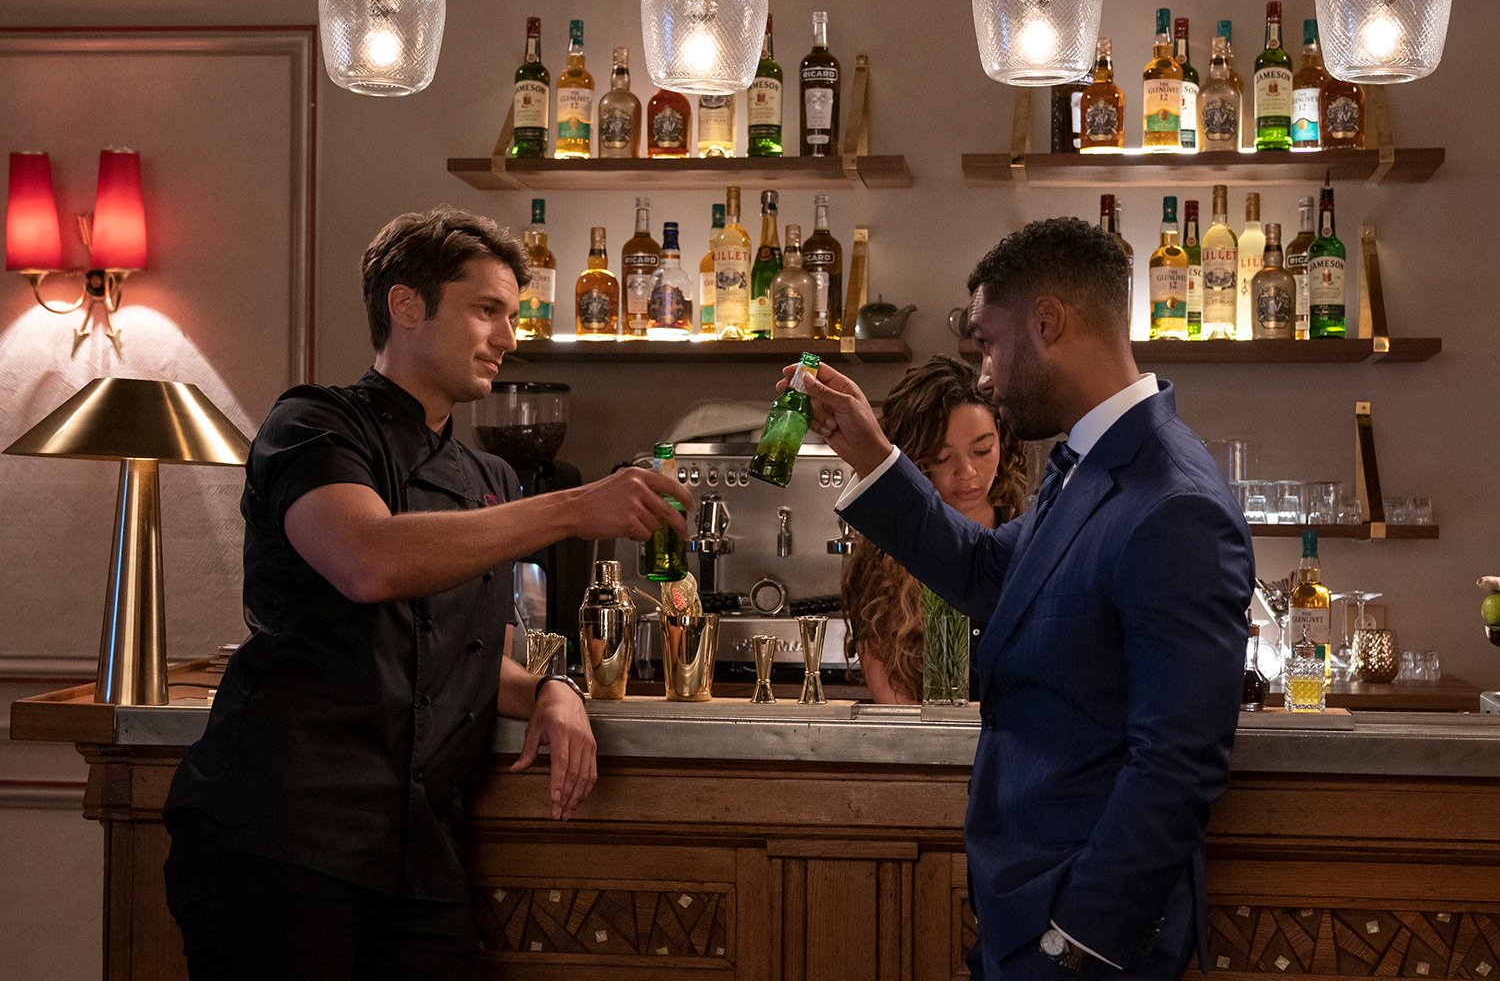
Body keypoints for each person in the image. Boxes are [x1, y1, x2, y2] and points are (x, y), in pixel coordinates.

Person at [161, 207, 695, 981]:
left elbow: (463, 659)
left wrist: (552, 689)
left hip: (419, 854)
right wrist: (574, 509)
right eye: (487, 311)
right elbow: (367, 561)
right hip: (284, 834)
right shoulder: (313, 424)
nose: (509, 339)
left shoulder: (490, 481)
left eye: (513, 316)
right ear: (405, 305)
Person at [785, 216, 1253, 980]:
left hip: (1082, 938)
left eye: (988, 342)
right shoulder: (1091, 463)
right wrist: (871, 450)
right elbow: (989, 574)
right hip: (1025, 912)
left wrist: (1078, 939)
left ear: (1048, 323)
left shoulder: (1173, 502)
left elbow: (1180, 762)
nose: (983, 374)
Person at [840, 355, 1028, 703]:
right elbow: (895, 702)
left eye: (983, 449)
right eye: (942, 458)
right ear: (911, 462)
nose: (967, 472)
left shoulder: (1032, 538)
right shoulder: (881, 560)